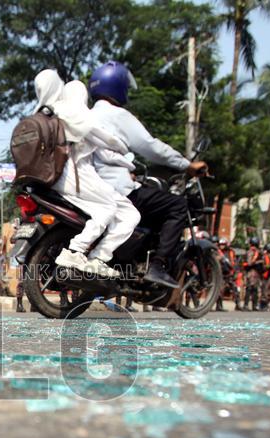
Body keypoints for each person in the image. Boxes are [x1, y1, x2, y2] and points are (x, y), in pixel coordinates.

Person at [87, 61, 209, 288]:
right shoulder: (117, 115)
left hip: (91, 190)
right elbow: (151, 147)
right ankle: (158, 266)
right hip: (117, 191)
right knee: (177, 206)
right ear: (117, 86)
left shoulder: (85, 116)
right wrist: (187, 165)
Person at [33, 70, 135, 280]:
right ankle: (80, 252)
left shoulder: (44, 113)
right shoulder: (74, 112)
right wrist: (125, 148)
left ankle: (98, 257)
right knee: (108, 207)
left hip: (55, 178)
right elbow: (109, 141)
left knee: (129, 214)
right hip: (75, 175)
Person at [215, 237, 237, 311]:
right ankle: (219, 306)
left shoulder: (231, 252)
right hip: (220, 274)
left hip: (229, 273)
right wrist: (219, 258)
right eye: (221, 244)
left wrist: (234, 271)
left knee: (235, 288)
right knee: (220, 290)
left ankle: (238, 304)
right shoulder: (217, 252)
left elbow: (234, 262)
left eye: (223, 244)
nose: (222, 246)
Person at [241, 237, 262, 311]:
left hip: (254, 272)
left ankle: (253, 305)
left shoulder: (254, 251)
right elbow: (250, 263)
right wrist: (258, 262)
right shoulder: (253, 251)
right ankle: (247, 305)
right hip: (252, 272)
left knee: (253, 289)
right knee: (250, 289)